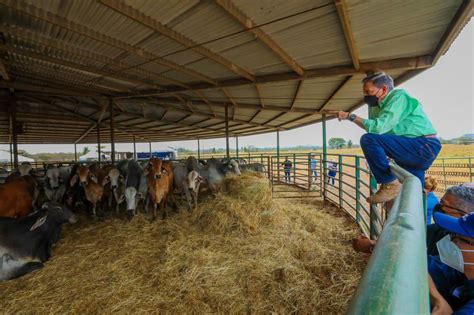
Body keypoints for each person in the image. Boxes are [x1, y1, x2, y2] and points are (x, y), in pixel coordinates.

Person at [329, 72, 441, 204]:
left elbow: (377, 128)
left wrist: (350, 117)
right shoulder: (377, 105)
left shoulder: (399, 97)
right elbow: (375, 129)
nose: (366, 96)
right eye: (365, 93)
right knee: (413, 194)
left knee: (368, 139)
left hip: (422, 145)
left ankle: (389, 183)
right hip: (412, 148)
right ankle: (418, 220)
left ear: (383, 89)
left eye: (369, 92)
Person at [352, 184, 474, 255]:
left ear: (466, 214)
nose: (439, 207)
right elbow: (407, 240)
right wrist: (375, 244)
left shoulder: (465, 246)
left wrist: (373, 249)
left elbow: (424, 265)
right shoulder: (438, 230)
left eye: (444, 204)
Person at [428, 212, 474, 314]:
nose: (451, 241)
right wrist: (436, 298)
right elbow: (419, 265)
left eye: (458, 238)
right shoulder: (459, 270)